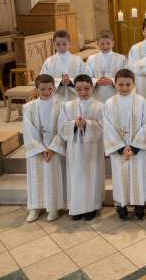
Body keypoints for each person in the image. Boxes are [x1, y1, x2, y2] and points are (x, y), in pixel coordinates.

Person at [103, 69, 146, 220]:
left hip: (138, 149)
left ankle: (139, 205)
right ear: (115, 84)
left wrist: (135, 146)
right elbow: (107, 126)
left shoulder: (141, 101)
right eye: (121, 84)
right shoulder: (110, 103)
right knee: (120, 177)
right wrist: (120, 147)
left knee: (139, 176)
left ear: (133, 84)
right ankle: (121, 205)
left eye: (128, 84)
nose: (124, 88)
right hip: (120, 151)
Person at [57, 75, 105, 221]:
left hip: (93, 149)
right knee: (76, 176)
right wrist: (74, 125)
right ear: (74, 89)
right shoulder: (67, 105)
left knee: (92, 175)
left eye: (86, 89)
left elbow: (104, 127)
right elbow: (61, 126)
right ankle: (76, 208)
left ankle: (91, 207)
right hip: (75, 148)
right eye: (79, 89)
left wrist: (87, 125)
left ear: (92, 87)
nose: (83, 92)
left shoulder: (100, 106)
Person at [24, 74, 65, 222]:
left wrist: (53, 148)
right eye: (42, 89)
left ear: (54, 87)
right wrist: (41, 149)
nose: (46, 91)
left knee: (52, 177)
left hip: (54, 147)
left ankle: (53, 207)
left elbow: (63, 127)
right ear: (36, 89)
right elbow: (28, 129)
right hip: (37, 148)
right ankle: (35, 207)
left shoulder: (61, 105)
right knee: (36, 177)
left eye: (49, 88)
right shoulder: (28, 107)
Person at [40, 30, 85, 101]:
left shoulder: (77, 60)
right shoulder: (49, 62)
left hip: (75, 97)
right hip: (56, 97)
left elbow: (84, 78)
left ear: (69, 43)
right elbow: (43, 80)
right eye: (58, 44)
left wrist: (71, 82)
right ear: (54, 44)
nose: (61, 47)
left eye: (64, 44)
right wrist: (59, 83)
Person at [85, 30, 127, 103]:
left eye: (108, 43)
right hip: (98, 94)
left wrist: (112, 80)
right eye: (102, 44)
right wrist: (96, 81)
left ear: (113, 43)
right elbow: (86, 76)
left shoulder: (121, 58)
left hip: (115, 92)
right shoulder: (91, 59)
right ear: (97, 44)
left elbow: (125, 75)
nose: (105, 46)